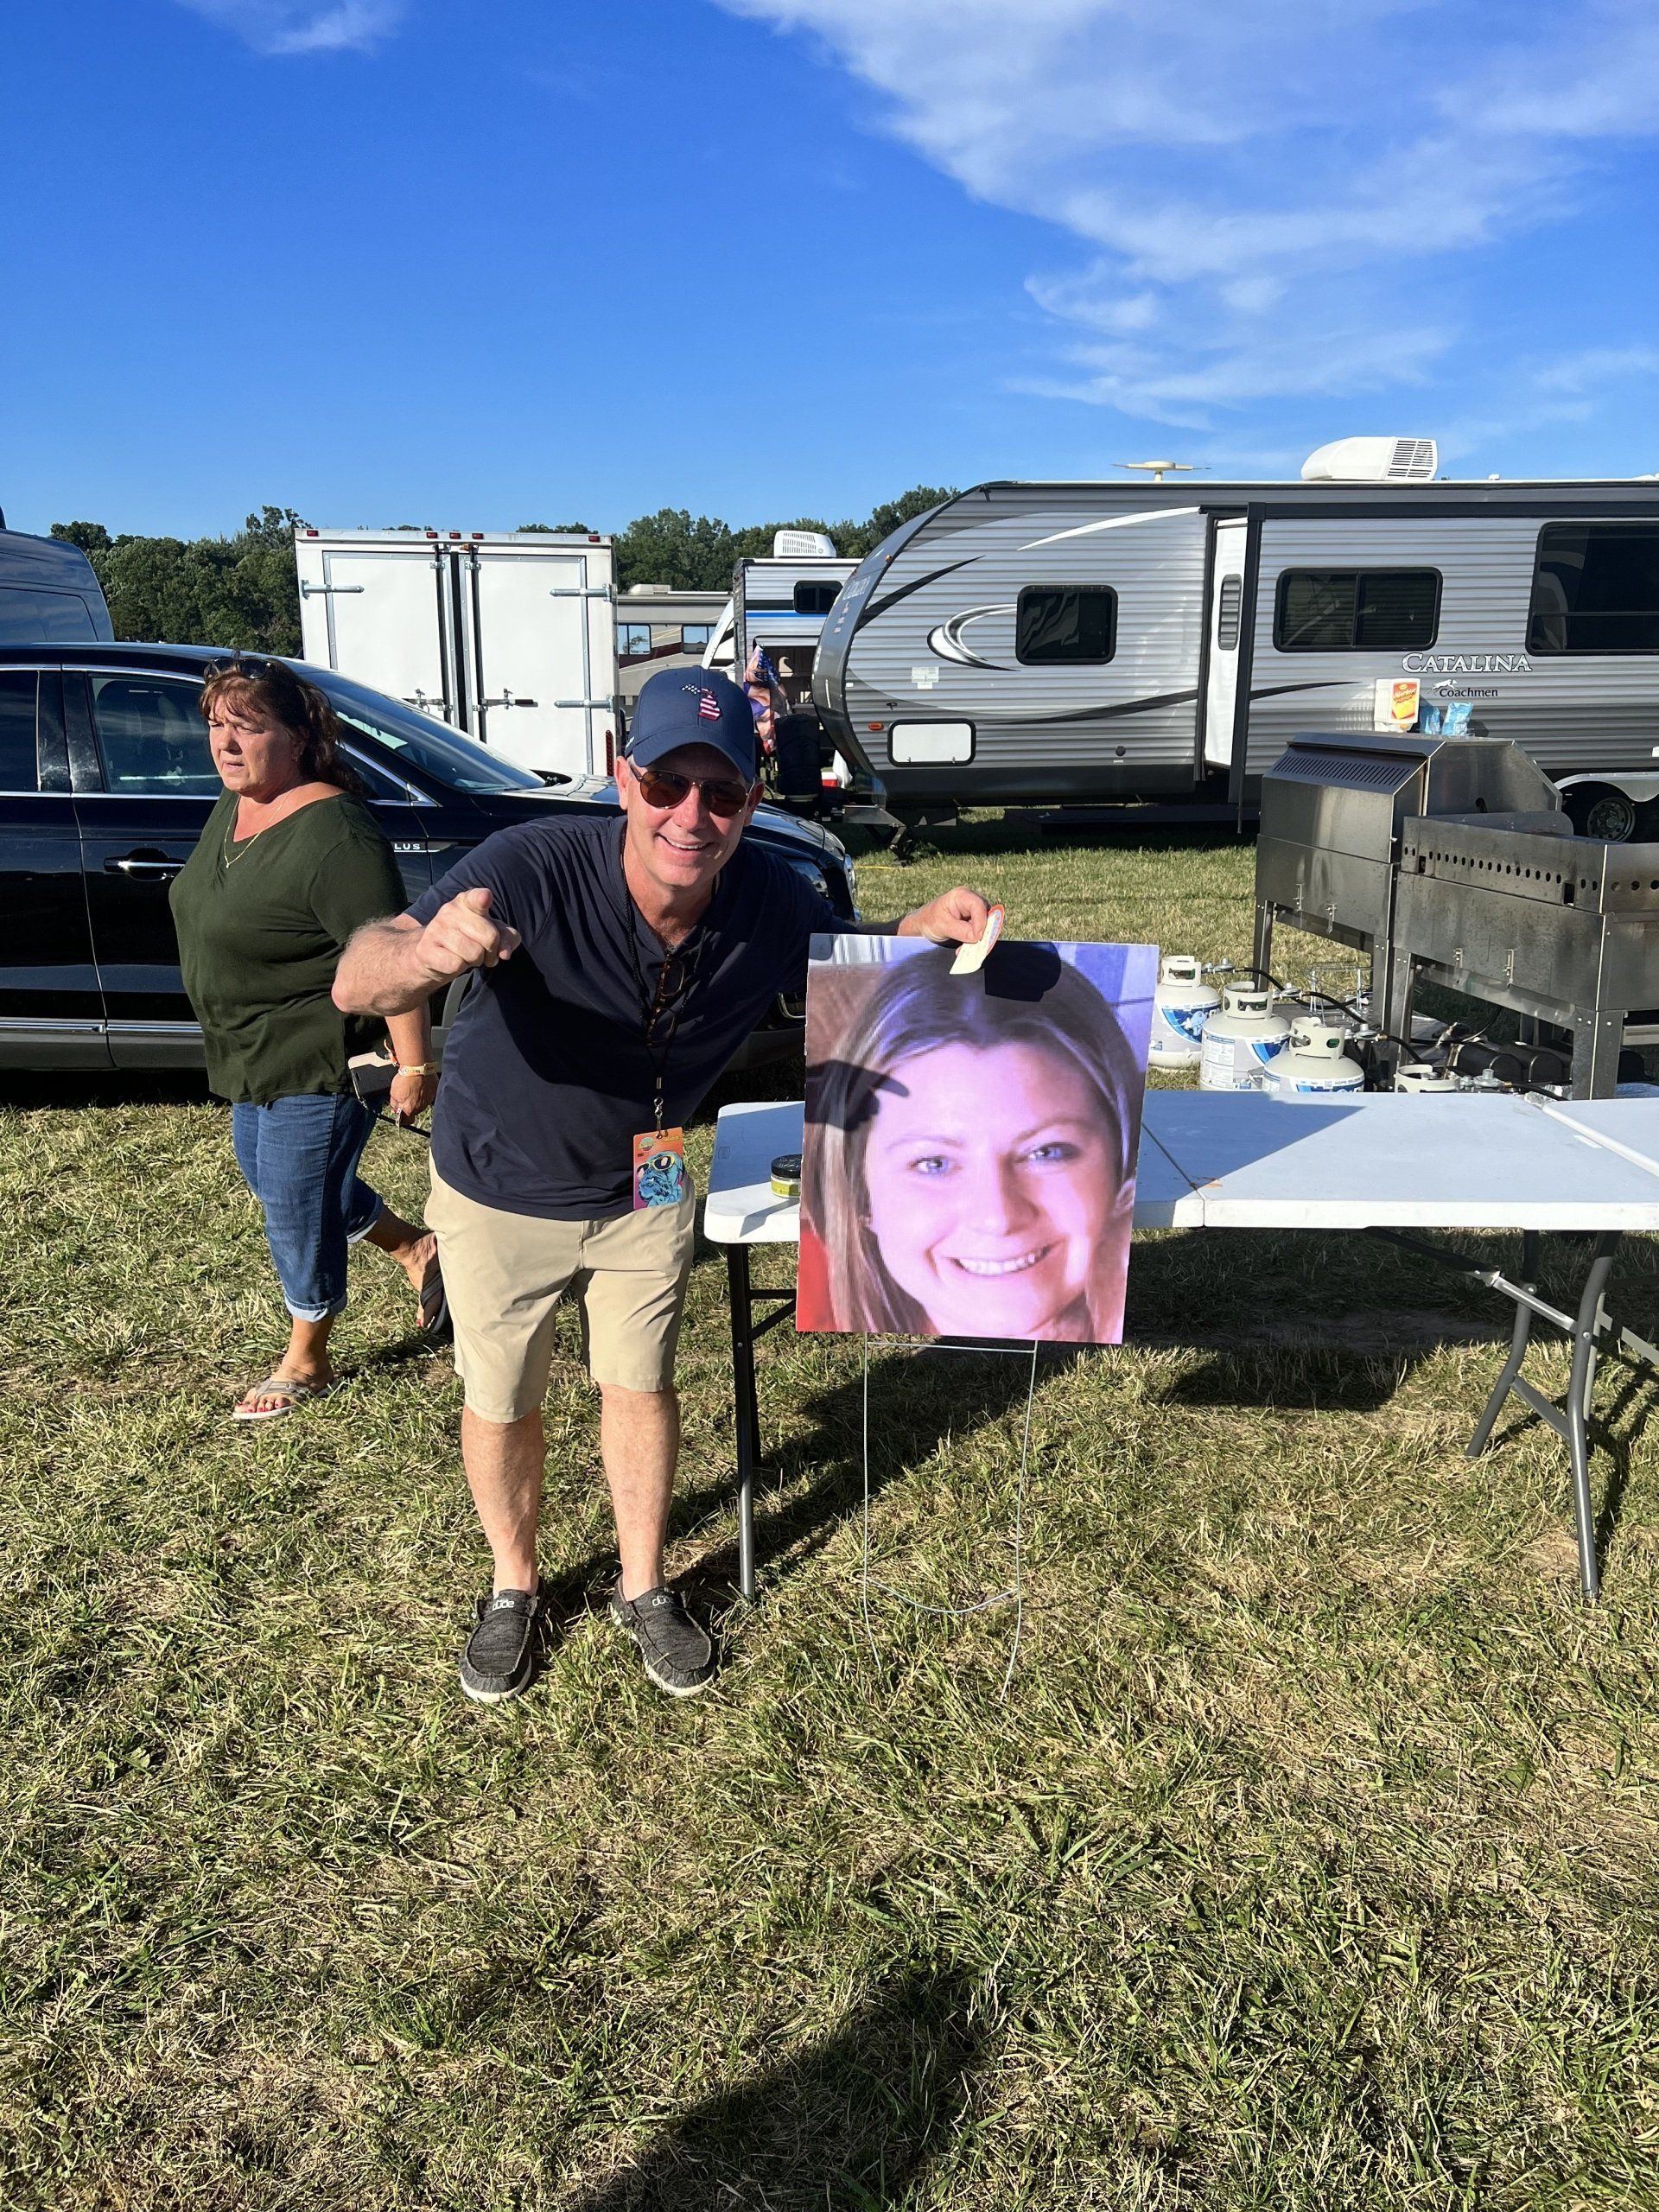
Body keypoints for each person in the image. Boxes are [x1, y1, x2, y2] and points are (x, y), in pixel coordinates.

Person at [332, 665, 992, 1703]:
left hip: (655, 1164)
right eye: (666, 784)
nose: (692, 814)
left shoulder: (769, 895)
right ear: (622, 776)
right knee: (503, 1396)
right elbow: (358, 973)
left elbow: (842, 962)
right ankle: (513, 1588)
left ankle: (643, 1584)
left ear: (751, 802)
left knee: (641, 1382)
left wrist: (921, 927)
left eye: (721, 792)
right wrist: (426, 954)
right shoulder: (532, 862)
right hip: (502, 1177)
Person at [168, 657, 445, 1421]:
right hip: (247, 1050)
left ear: (297, 737)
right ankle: (417, 1248)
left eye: (247, 728)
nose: (225, 744)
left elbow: (392, 954)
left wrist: (414, 1064)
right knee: (280, 1184)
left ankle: (307, 1357)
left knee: (294, 1204)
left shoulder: (336, 832)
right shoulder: (237, 806)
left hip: (318, 1055)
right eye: (216, 725)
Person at [801, 946, 1141, 1344]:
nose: (997, 1217)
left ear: (1121, 1162)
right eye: (934, 1163)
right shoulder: (815, 1300)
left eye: (1046, 1152)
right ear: (862, 1195)